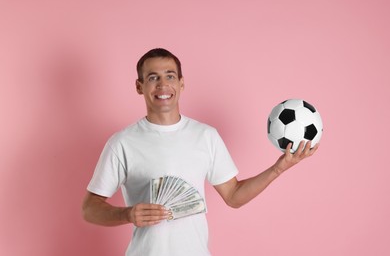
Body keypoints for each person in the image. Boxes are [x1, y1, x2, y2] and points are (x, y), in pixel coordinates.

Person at [82, 48, 319, 256]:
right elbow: (90, 208)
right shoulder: (122, 142)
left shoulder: (205, 136)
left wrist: (279, 168)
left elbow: (234, 196)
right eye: (153, 77)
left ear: (181, 83)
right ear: (139, 86)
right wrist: (128, 214)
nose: (163, 85)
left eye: (170, 76)